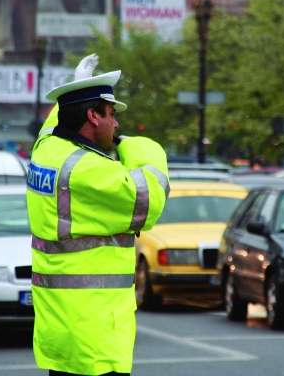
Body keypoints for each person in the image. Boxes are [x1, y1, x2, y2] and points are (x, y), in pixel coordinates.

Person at [26, 54, 169, 376]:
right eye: (111, 115)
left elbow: (53, 124)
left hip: (60, 330)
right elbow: (151, 196)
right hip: (95, 337)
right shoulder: (89, 171)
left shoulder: (47, 150)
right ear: (92, 115)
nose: (116, 123)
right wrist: (136, 145)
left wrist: (77, 85)